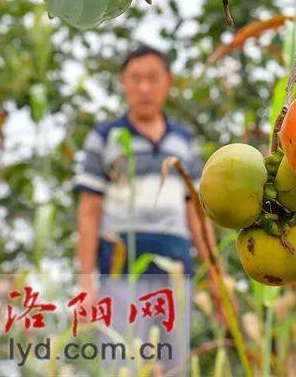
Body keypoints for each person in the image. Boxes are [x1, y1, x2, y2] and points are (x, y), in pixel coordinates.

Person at [73, 44, 217, 373]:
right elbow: (89, 212)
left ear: (168, 81)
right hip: (120, 275)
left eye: (152, 78)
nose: (144, 88)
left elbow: (196, 212)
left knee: (173, 367)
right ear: (123, 83)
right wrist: (85, 284)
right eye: (135, 79)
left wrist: (216, 277)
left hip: (176, 277)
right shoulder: (104, 138)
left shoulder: (183, 141)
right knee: (122, 365)